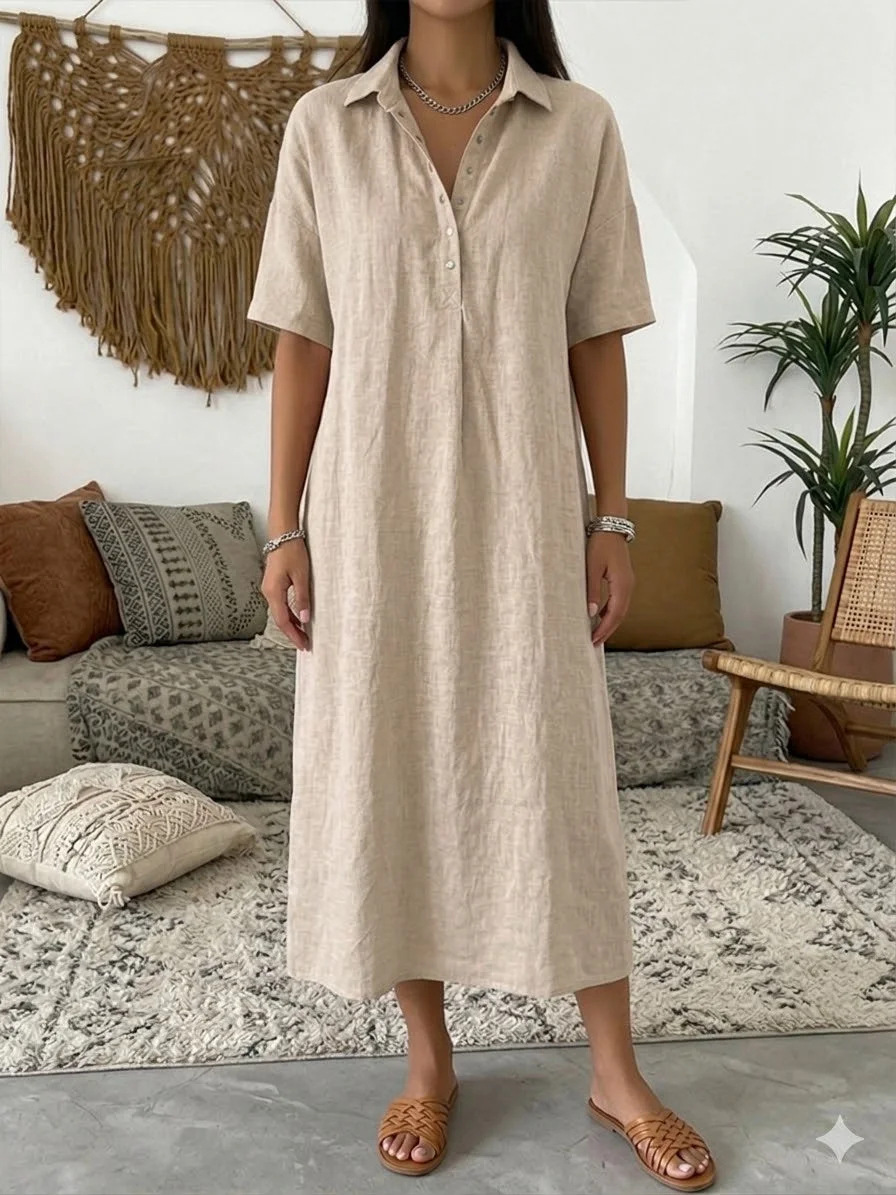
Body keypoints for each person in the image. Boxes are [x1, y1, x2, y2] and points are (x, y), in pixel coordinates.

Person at [248, 0, 715, 1188]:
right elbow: (303, 340)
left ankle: (614, 1072)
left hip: (526, 516)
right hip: (370, 517)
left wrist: (612, 516)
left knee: (560, 779)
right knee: (391, 764)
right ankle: (428, 1059)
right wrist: (284, 527)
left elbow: (595, 333)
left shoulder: (576, 126)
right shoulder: (324, 126)